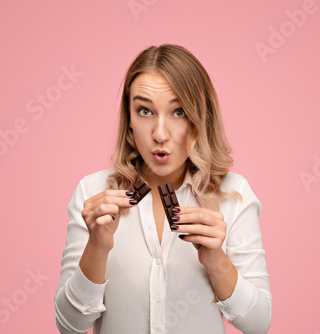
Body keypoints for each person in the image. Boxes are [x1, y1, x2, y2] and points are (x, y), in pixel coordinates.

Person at [54, 44, 272, 334]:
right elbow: (69, 327)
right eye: (144, 111)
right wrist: (98, 246)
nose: (160, 133)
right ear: (129, 120)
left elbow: (258, 324)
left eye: (178, 112)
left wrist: (216, 260)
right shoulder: (93, 192)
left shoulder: (234, 194)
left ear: (199, 119)